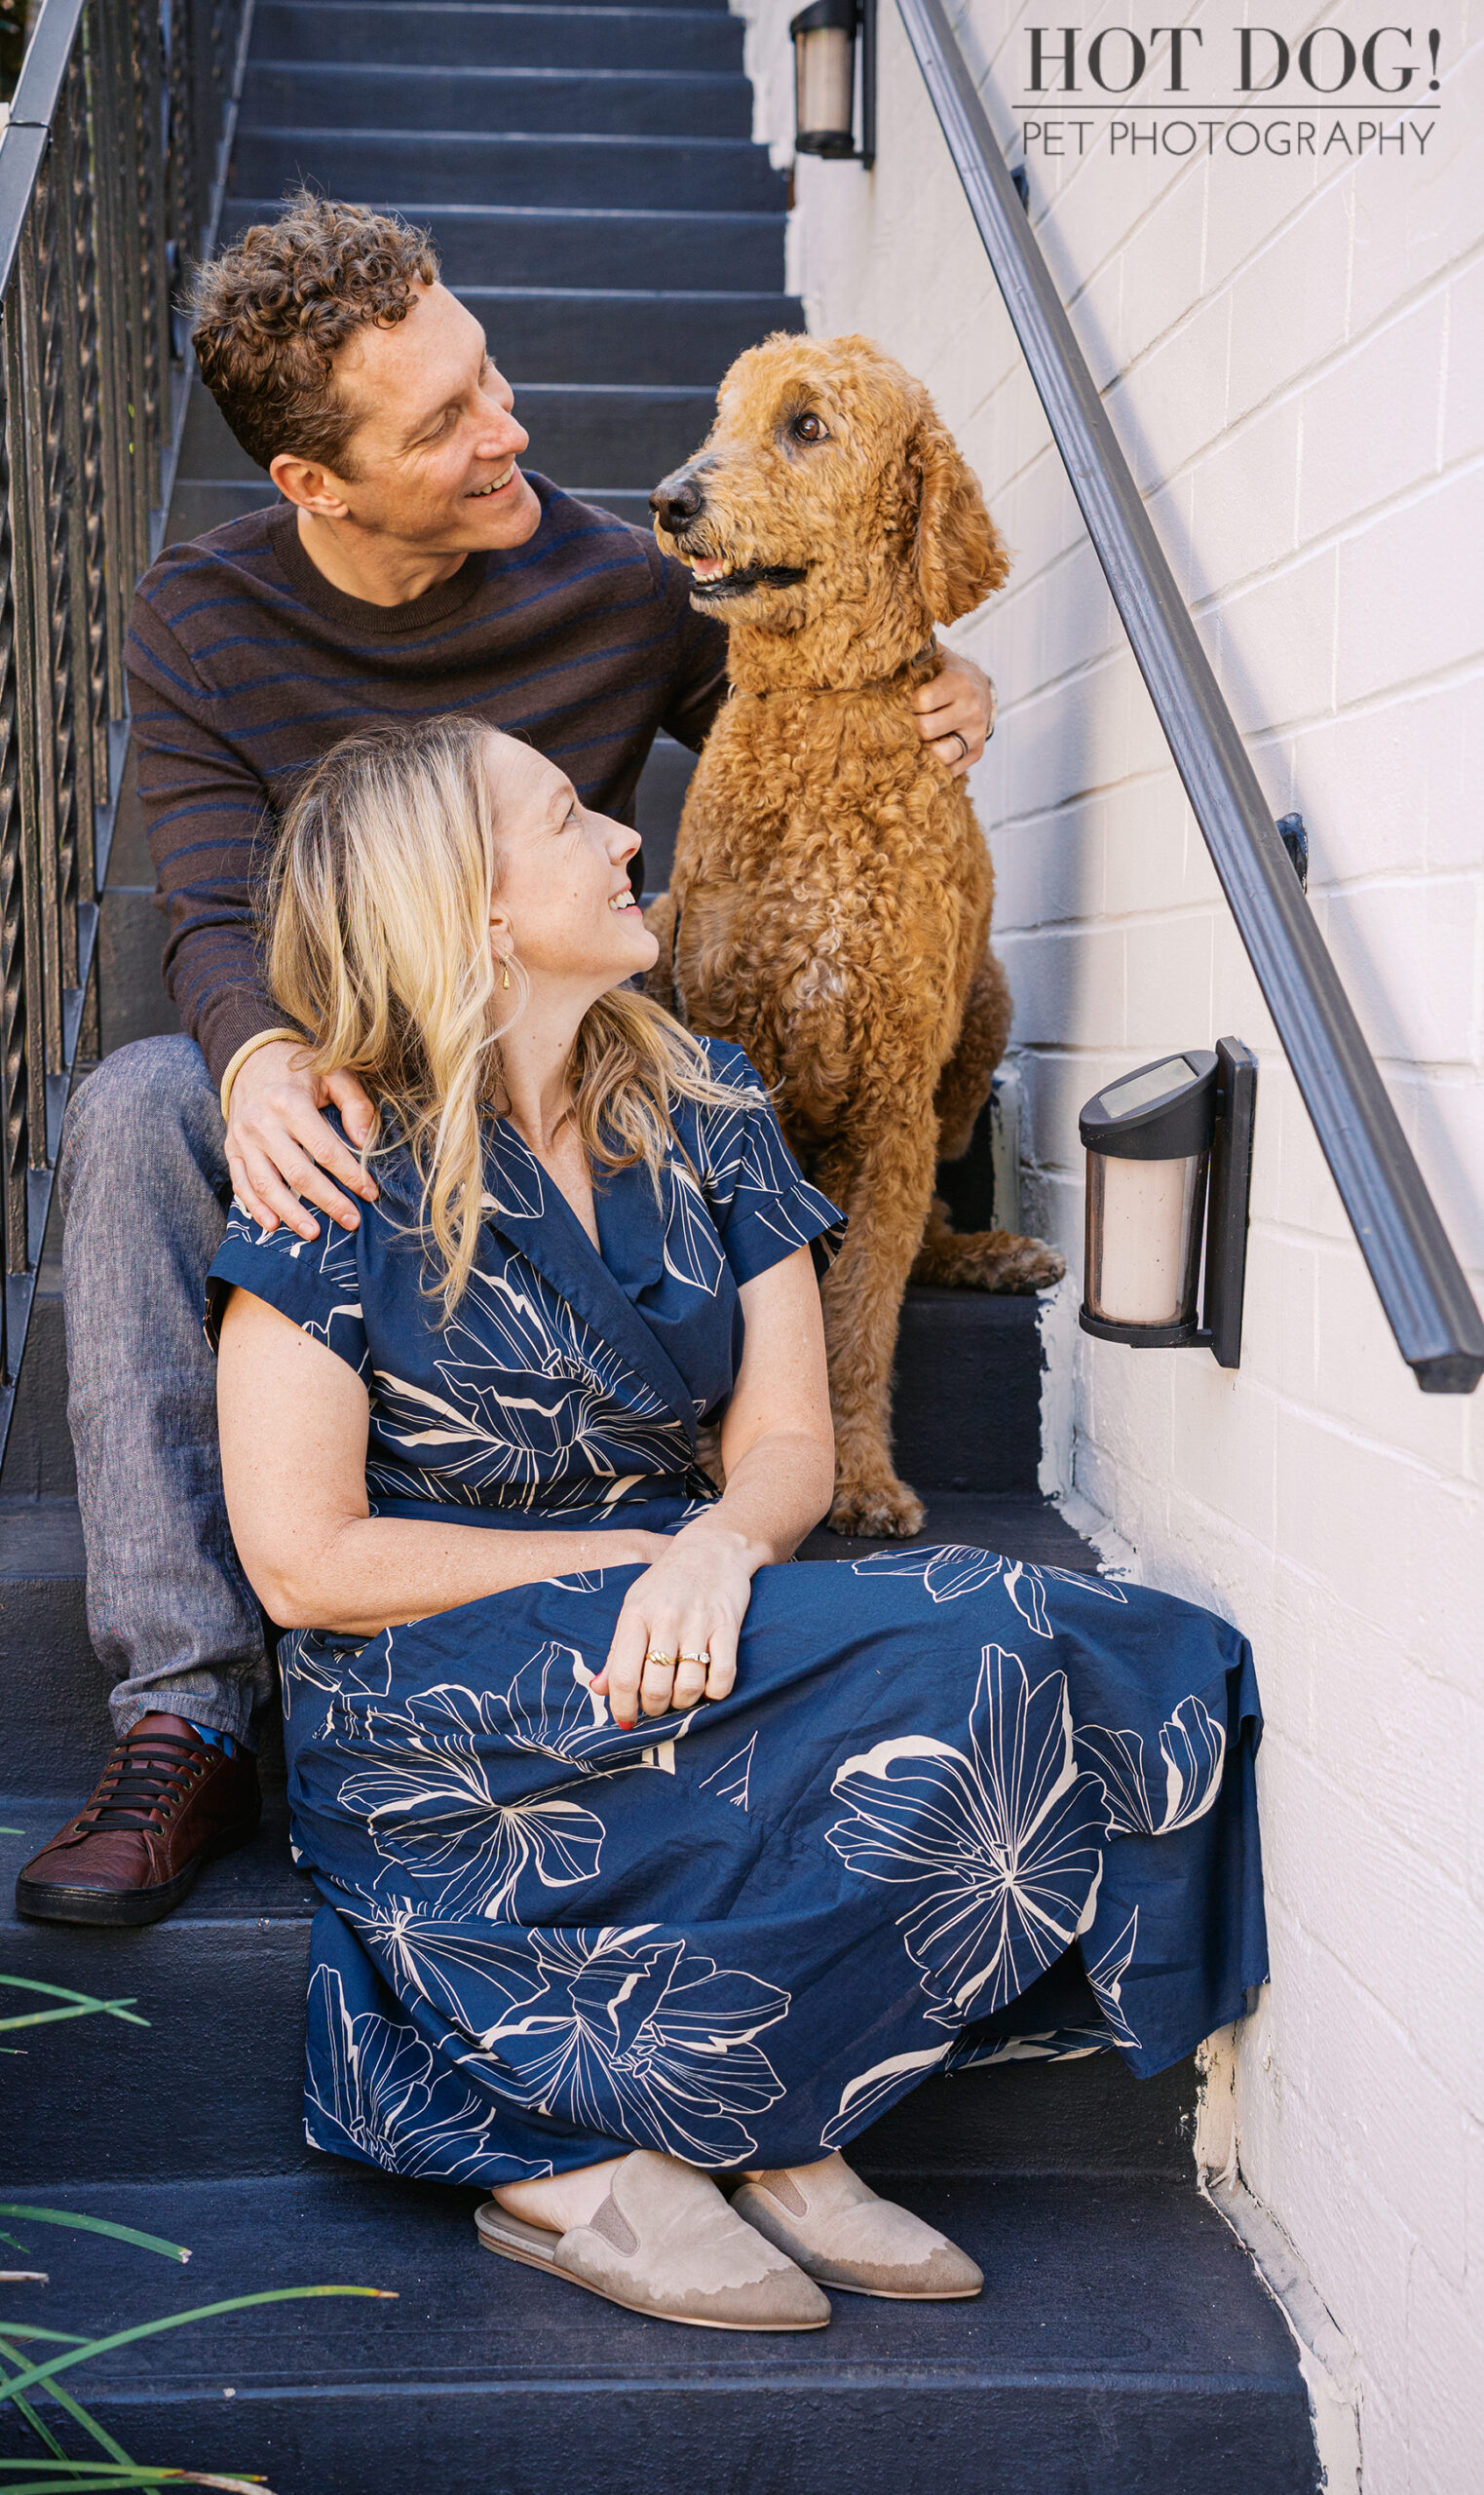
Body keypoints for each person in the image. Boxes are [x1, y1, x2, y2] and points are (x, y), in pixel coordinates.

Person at [200, 715, 1267, 2333]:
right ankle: (573, 2153)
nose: (629, 837)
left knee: (1041, 1641)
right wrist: (629, 1559)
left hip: (702, 1602)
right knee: (946, 1648)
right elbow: (302, 1559)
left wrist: (714, 1548)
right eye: (570, 818)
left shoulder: (706, 1102)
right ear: (475, 909)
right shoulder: (337, 1158)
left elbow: (783, 1437)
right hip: (450, 1672)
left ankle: (768, 2110)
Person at [15, 194, 1000, 1929]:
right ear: (316, 482)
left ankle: (656, 1541)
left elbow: (801, 674)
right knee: (133, 1104)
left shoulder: (621, 583)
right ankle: (182, 1710)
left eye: (491, 376)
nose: (511, 436)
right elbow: (205, 901)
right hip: (345, 1057)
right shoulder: (199, 614)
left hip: (561, 1052)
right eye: (445, 424)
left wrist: (938, 680)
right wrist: (249, 1057)